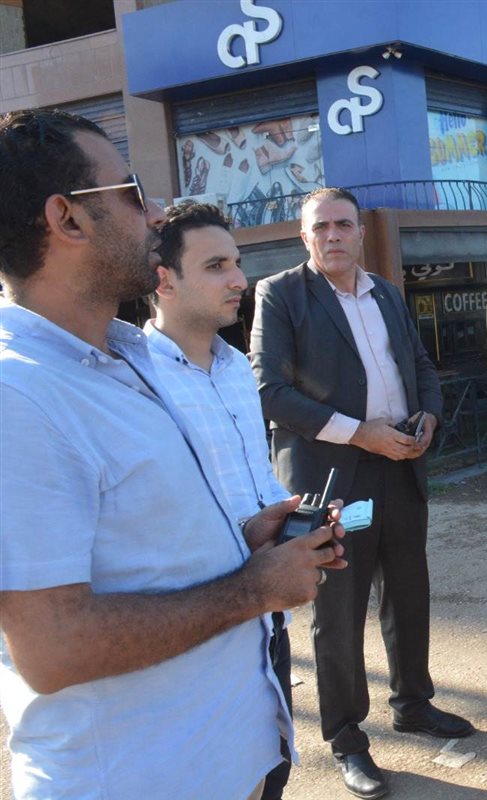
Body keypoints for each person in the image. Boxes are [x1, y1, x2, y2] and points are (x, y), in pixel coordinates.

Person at [0, 109, 343, 799]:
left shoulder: (122, 360)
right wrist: (255, 589)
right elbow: (54, 646)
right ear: (67, 219)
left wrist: (248, 543)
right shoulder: (21, 394)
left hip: (224, 761)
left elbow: (142, 546)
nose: (156, 213)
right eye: (132, 193)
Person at [251, 187, 472, 800]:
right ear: (304, 236)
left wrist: (428, 415)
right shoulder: (280, 294)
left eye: (343, 224)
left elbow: (421, 366)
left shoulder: (388, 295)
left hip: (399, 466)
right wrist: (358, 433)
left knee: (409, 593)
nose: (333, 235)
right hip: (334, 482)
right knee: (338, 612)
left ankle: (413, 703)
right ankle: (347, 738)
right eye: (320, 226)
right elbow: (269, 390)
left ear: (360, 232)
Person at [143, 201, 296, 800]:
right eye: (216, 266)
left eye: (236, 262)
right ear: (164, 280)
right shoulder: (135, 378)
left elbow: (255, 478)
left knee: (272, 772)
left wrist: (292, 521)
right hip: (200, 628)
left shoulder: (236, 367)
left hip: (269, 617)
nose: (239, 279)